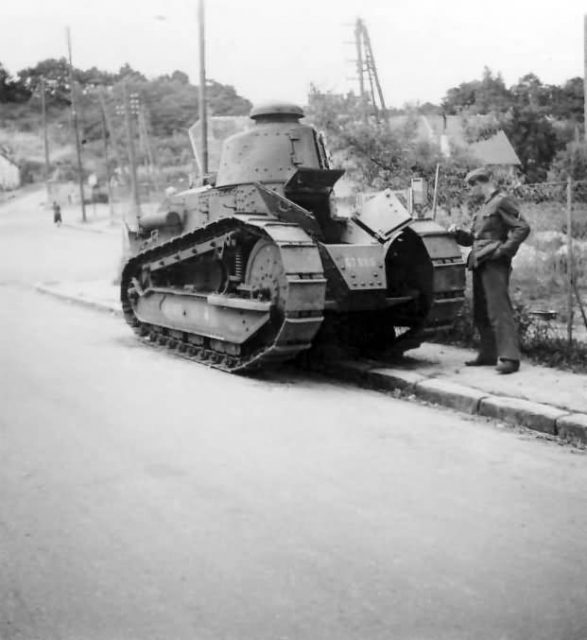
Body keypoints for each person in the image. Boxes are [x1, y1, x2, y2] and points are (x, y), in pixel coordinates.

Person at [449, 167, 530, 374]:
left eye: (471, 187)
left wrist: (504, 251)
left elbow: (522, 227)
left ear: (480, 183)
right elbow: (475, 238)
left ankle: (510, 359)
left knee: (498, 309)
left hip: (494, 262)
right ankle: (488, 354)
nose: (470, 192)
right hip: (479, 261)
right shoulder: (484, 207)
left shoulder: (502, 201)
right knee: (482, 311)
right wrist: (458, 233)